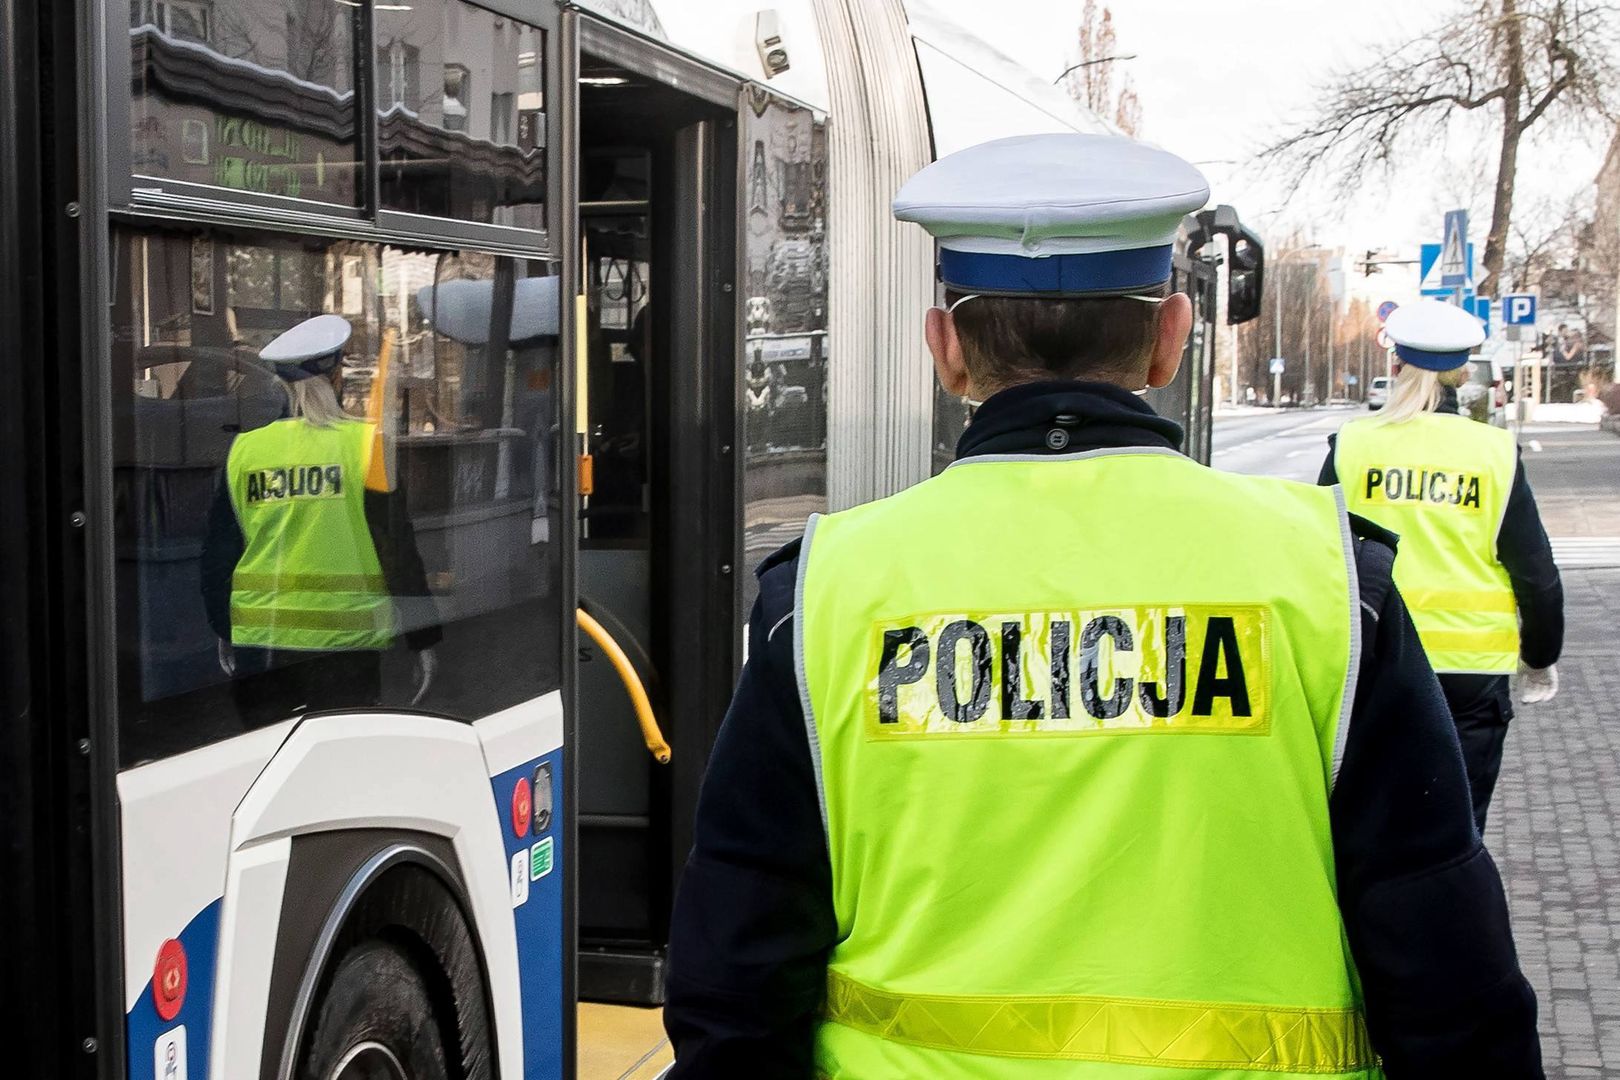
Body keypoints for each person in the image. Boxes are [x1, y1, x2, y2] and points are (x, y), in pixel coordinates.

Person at [664, 134, 1541, 1078]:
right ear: (1170, 337)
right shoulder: (1330, 580)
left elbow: (737, 976)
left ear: (945, 350)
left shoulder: (826, 593)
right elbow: (1446, 966)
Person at [1320, 299, 1563, 833]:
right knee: (1457, 832)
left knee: (1371, 828)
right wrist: (1540, 655)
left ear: (1395, 364)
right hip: (1470, 675)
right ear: (1461, 373)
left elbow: (1315, 552)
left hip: (1373, 663)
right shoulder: (1494, 452)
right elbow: (1535, 573)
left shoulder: (1352, 446)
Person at [200, 314, 439, 725]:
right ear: (336, 378)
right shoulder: (364, 445)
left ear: (282, 384)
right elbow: (396, 550)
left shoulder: (244, 451)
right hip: (347, 648)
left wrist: (226, 628)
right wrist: (423, 639)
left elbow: (219, 555)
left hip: (262, 645)